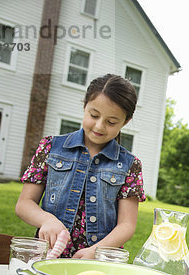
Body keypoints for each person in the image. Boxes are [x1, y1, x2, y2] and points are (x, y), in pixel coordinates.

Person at [16, 74, 146, 259]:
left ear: (125, 121)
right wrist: (47, 220)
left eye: (111, 122)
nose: (99, 126)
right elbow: (24, 204)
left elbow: (127, 225)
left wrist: (96, 251)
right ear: (84, 105)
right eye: (94, 115)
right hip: (48, 255)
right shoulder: (51, 147)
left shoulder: (130, 165)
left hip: (98, 260)